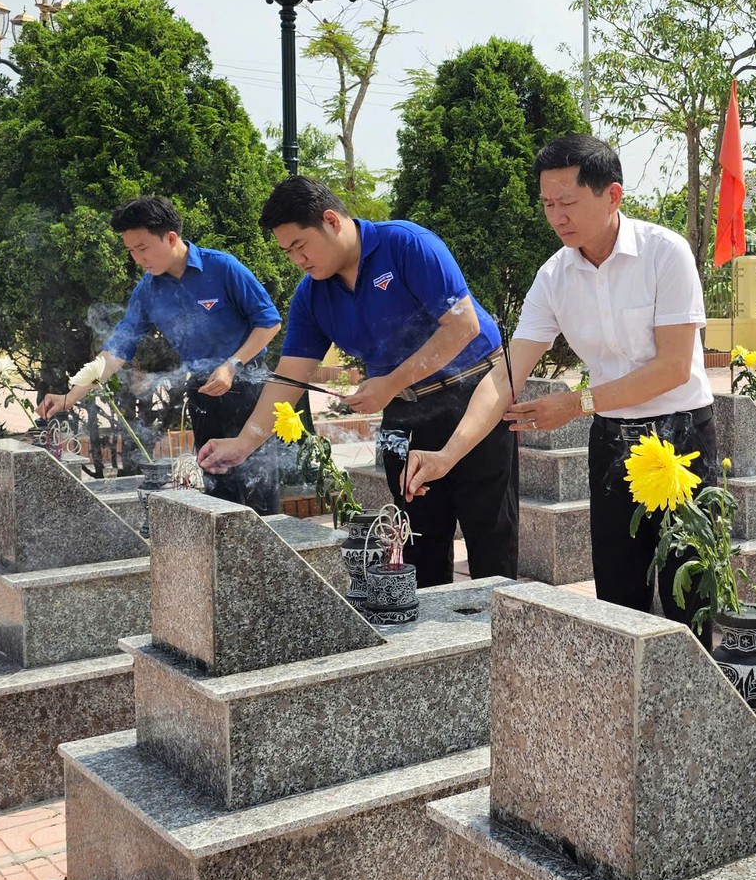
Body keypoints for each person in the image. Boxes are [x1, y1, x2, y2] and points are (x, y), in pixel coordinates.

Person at [401, 133, 714, 628]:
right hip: (614, 443)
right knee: (618, 597)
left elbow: (673, 367)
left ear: (612, 195)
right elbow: (506, 375)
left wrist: (576, 403)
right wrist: (447, 454)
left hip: (682, 435)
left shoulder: (664, 253)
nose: (556, 216)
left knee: (691, 592)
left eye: (567, 202)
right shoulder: (554, 277)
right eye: (547, 204)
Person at [198, 177, 518, 586]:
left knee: (490, 533)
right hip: (405, 413)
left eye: (300, 245)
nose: (297, 259)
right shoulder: (312, 296)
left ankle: (498, 621)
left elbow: (462, 326)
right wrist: (244, 443)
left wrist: (389, 383)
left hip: (474, 394)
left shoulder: (406, 244)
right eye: (287, 252)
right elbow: (289, 376)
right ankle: (431, 626)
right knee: (415, 539)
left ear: (331, 221)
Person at [37, 195, 284, 512]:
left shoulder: (222, 267)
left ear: (170, 237)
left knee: (260, 490)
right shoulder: (148, 290)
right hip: (204, 394)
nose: (137, 258)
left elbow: (269, 322)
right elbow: (117, 349)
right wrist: (69, 397)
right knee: (218, 493)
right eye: (130, 250)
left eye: (142, 248)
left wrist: (232, 365)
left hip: (250, 388)